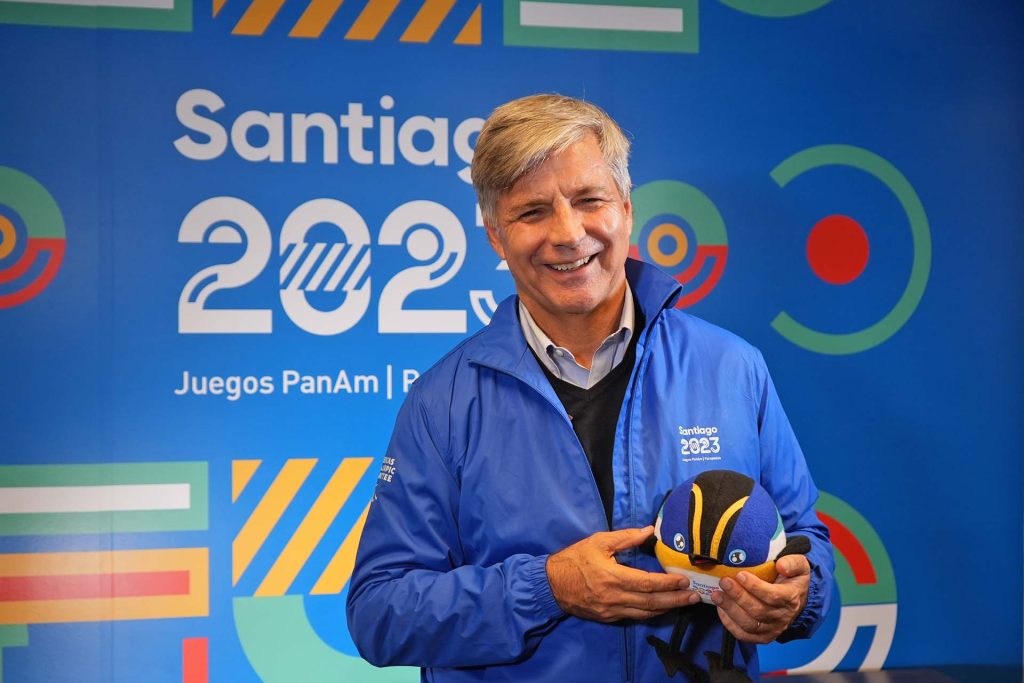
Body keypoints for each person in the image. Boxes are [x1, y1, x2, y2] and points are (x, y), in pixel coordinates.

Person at [346, 94, 833, 682]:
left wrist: (797, 595)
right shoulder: (442, 402)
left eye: (589, 200)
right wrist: (547, 587)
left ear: (626, 209)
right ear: (496, 236)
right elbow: (380, 612)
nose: (568, 233)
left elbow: (803, 540)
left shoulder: (732, 367)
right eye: (532, 212)